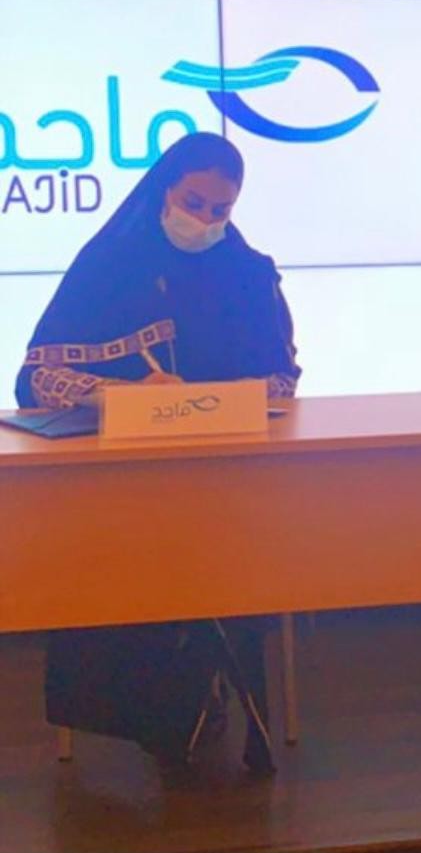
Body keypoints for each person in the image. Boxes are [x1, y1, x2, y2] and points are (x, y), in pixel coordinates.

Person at [15, 131, 300, 769]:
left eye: (220, 209)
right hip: (122, 485)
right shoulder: (107, 263)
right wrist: (123, 394)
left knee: (231, 559)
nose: (204, 220)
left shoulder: (248, 272)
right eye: (192, 202)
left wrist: (208, 398)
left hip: (227, 484)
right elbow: (39, 376)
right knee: (130, 567)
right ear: (162, 191)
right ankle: (166, 713)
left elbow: (283, 381)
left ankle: (221, 708)